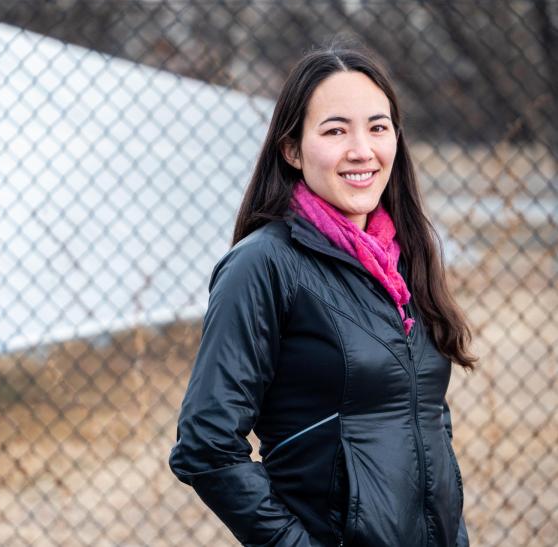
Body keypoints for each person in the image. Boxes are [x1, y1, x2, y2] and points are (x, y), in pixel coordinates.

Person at [168, 43, 477, 547]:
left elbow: (427, 421)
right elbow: (205, 446)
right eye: (335, 130)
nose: (362, 150)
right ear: (291, 149)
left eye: (377, 127)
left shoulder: (406, 257)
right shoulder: (262, 266)